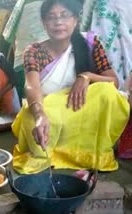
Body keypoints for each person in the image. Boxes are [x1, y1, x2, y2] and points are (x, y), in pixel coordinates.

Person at [12, 0, 130, 174]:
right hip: (50, 117)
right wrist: (39, 115)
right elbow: (31, 86)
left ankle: (88, 153)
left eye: (64, 15)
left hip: (81, 114)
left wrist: (87, 77)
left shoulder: (91, 44)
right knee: (30, 119)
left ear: (75, 19)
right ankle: (55, 149)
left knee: (108, 93)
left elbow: (114, 82)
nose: (58, 22)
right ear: (44, 23)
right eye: (51, 17)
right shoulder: (35, 51)